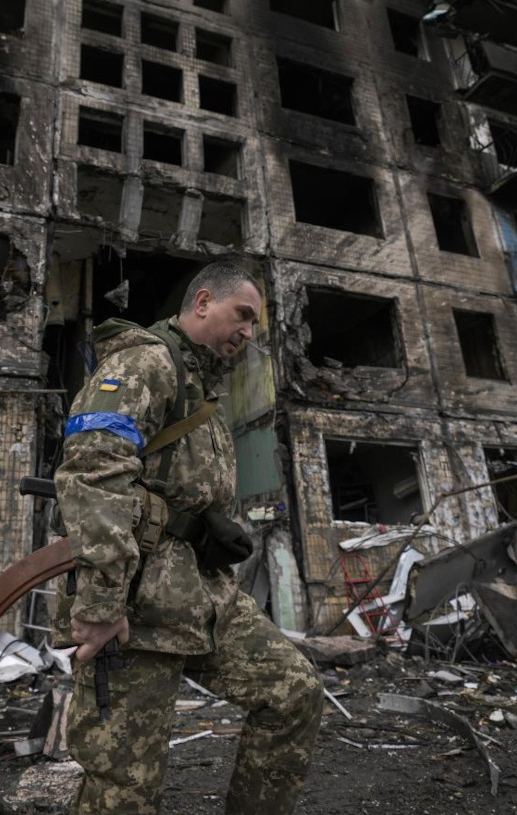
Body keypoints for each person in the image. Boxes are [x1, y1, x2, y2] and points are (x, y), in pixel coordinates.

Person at [53, 261, 324, 814]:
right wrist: (101, 604)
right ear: (202, 302)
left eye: (254, 323)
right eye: (241, 315)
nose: (248, 332)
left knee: (294, 692)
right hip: (138, 607)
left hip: (204, 598)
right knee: (124, 789)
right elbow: (93, 474)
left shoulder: (204, 393)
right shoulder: (145, 363)